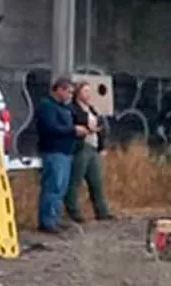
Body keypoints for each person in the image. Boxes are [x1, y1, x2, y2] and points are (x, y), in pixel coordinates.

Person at [36, 77, 87, 233]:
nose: (71, 95)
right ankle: (47, 221)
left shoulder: (65, 108)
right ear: (59, 90)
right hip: (53, 151)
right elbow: (51, 128)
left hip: (66, 152)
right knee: (53, 186)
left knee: (61, 188)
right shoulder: (47, 107)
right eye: (69, 92)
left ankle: (55, 218)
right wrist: (73, 130)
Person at [65, 81, 113, 222]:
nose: (88, 94)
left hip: (94, 147)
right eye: (85, 91)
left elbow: (101, 127)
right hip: (81, 146)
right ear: (78, 93)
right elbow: (72, 125)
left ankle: (102, 211)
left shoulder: (91, 109)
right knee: (76, 180)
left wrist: (102, 145)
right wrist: (86, 128)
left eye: (89, 91)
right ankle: (74, 212)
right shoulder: (73, 109)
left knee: (96, 181)